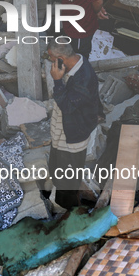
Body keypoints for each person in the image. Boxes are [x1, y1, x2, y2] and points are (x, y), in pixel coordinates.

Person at [44, 42, 99, 210]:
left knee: (68, 176)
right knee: (56, 167)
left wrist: (57, 81)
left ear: (61, 59)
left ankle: (67, 210)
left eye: (51, 58)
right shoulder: (75, 64)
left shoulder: (84, 78)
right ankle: (60, 196)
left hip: (73, 133)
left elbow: (67, 106)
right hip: (63, 128)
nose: (50, 61)